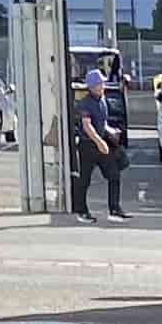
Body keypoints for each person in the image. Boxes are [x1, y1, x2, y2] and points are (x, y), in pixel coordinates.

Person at [68, 59, 129, 221]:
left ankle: (114, 209)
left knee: (114, 174)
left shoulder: (102, 100)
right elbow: (87, 125)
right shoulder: (85, 103)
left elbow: (102, 122)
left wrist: (110, 131)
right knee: (85, 179)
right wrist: (99, 142)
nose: (103, 86)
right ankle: (81, 211)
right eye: (100, 83)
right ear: (92, 86)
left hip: (101, 143)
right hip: (88, 145)